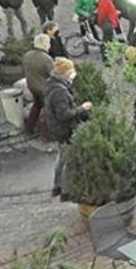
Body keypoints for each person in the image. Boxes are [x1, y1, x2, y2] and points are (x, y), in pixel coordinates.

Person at [44, 58, 92, 198]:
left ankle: (57, 186)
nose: (73, 73)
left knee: (62, 157)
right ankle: (66, 191)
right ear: (64, 73)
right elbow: (64, 114)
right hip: (64, 130)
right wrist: (82, 108)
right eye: (71, 71)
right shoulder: (60, 91)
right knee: (68, 160)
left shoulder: (51, 84)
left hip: (56, 128)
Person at [22, 34, 54, 138]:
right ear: (45, 44)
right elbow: (53, 75)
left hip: (32, 86)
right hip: (43, 88)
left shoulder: (27, 55)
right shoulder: (46, 58)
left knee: (36, 106)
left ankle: (29, 129)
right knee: (47, 110)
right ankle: (45, 134)